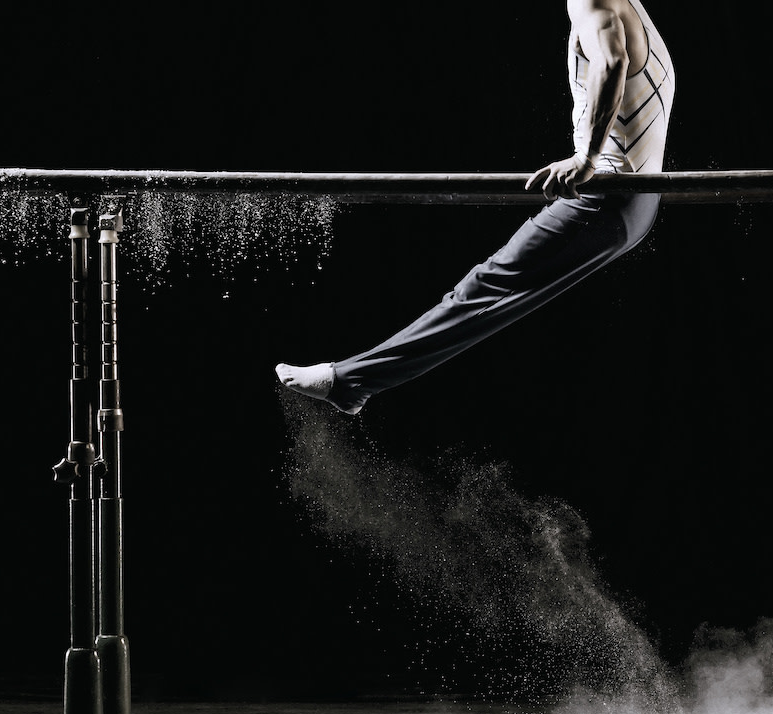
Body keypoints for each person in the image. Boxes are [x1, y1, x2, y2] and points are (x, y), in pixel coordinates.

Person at [276, 0, 675, 414]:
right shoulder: (634, 9)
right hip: (640, 202)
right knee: (496, 291)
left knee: (484, 288)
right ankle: (355, 381)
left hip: (605, 196)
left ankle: (351, 383)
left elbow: (613, 63)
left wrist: (586, 158)